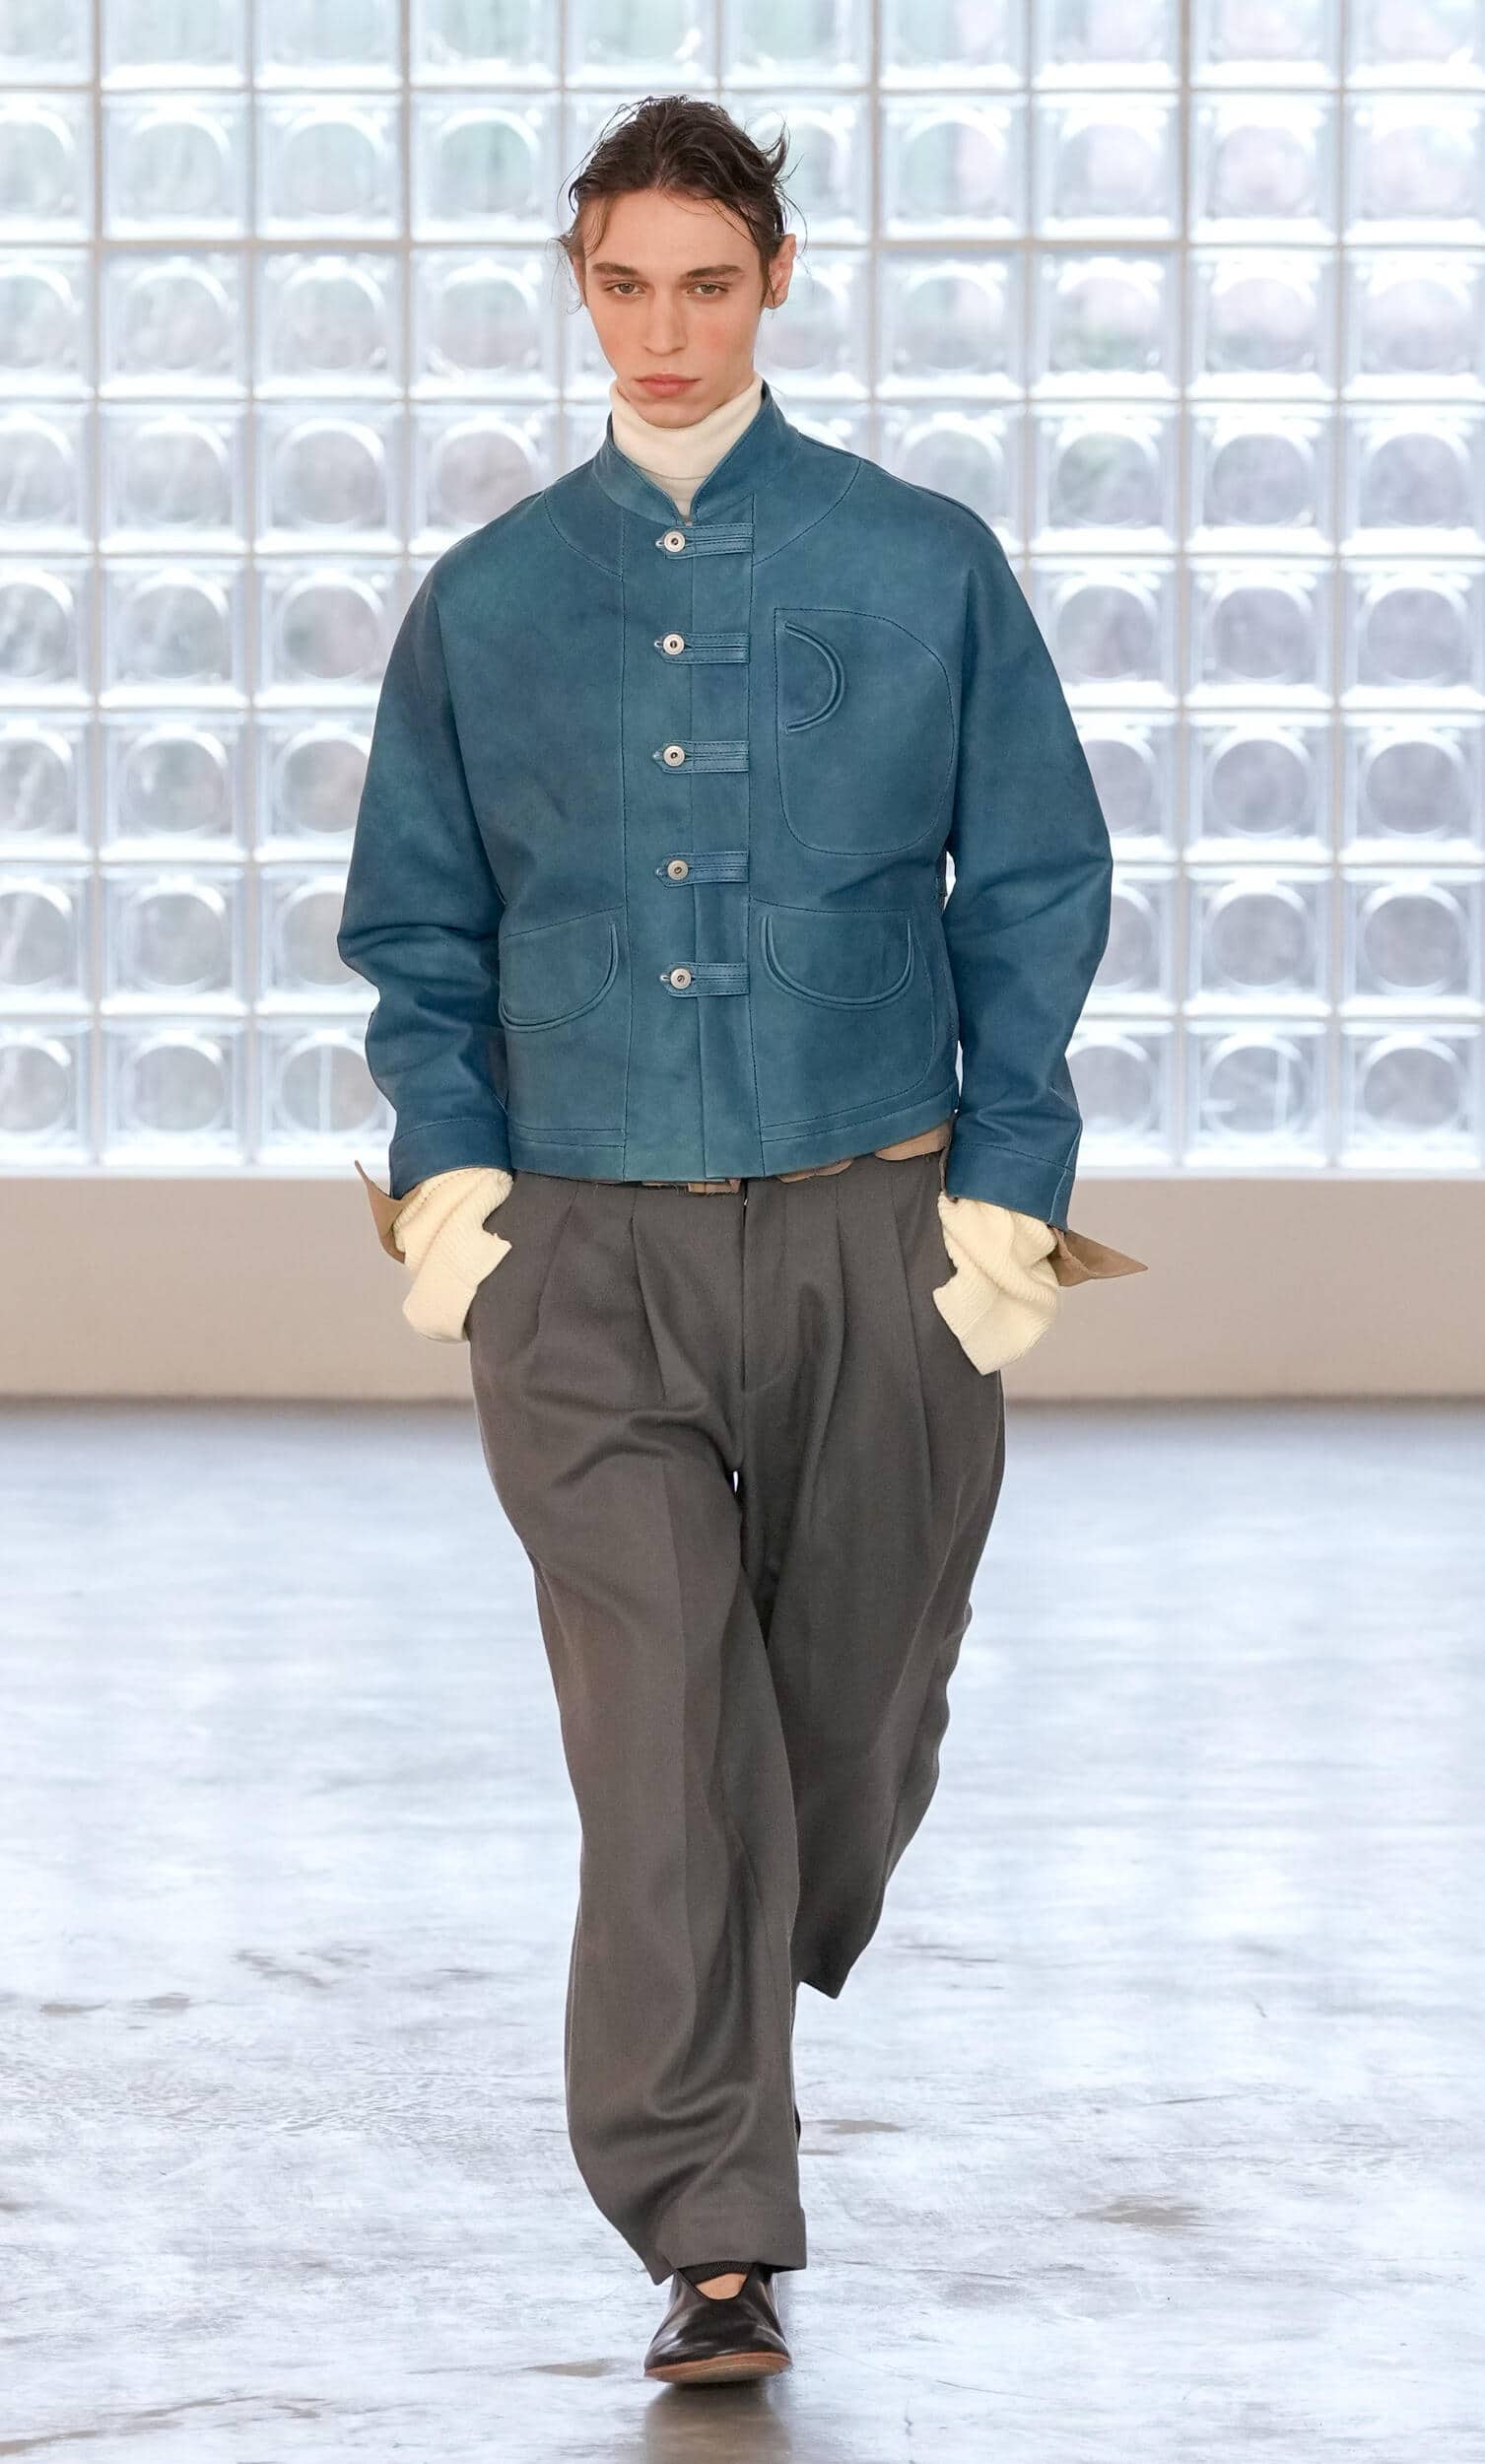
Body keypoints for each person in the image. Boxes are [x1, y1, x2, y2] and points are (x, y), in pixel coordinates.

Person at [338, 95, 1145, 2387]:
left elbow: (1040, 881)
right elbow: (417, 920)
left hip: (883, 1235)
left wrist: (1012, 1180)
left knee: (849, 1724)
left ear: (775, 281)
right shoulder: (493, 599)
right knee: (664, 1737)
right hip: (582, 1258)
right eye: (625, 285)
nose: (665, 332)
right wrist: (457, 1180)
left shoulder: (922, 564)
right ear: (580, 288)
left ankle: (765, 1911)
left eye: (708, 284)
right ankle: (713, 2231)